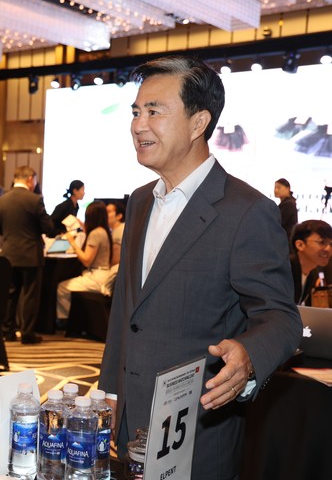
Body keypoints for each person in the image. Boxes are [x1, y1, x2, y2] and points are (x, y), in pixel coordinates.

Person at [100, 56, 301, 479]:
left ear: (198, 123)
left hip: (197, 434)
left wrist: (249, 357)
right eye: (135, 112)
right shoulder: (140, 201)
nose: (138, 125)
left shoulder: (246, 211)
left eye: (154, 111)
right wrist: (110, 395)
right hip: (130, 424)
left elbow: (281, 317)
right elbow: (125, 313)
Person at [0, 165, 57, 345]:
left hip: (9, 254)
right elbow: (48, 227)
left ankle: (7, 331)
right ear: (30, 179)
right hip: (31, 255)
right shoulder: (35, 200)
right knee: (30, 296)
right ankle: (27, 334)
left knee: (10, 294)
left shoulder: (1, 200)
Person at [56, 201, 112, 320]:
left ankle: (67, 319)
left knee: (62, 288)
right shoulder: (103, 231)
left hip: (96, 277)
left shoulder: (95, 233)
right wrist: (82, 227)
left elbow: (86, 260)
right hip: (101, 275)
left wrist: (72, 242)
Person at [289, 219, 332, 305]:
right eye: (322, 242)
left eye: (331, 244)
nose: (328, 249)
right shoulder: (284, 268)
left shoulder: (310, 275)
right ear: (300, 245)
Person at [274, 178, 298, 246]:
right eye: (275, 188)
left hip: (285, 242)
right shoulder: (286, 203)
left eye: (279, 187)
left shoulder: (289, 204)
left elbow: (278, 223)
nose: (276, 190)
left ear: (288, 188)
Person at [106, 200, 126, 266]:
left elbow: (115, 260)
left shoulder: (120, 231)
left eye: (108, 212)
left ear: (119, 216)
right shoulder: (115, 230)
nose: (104, 215)